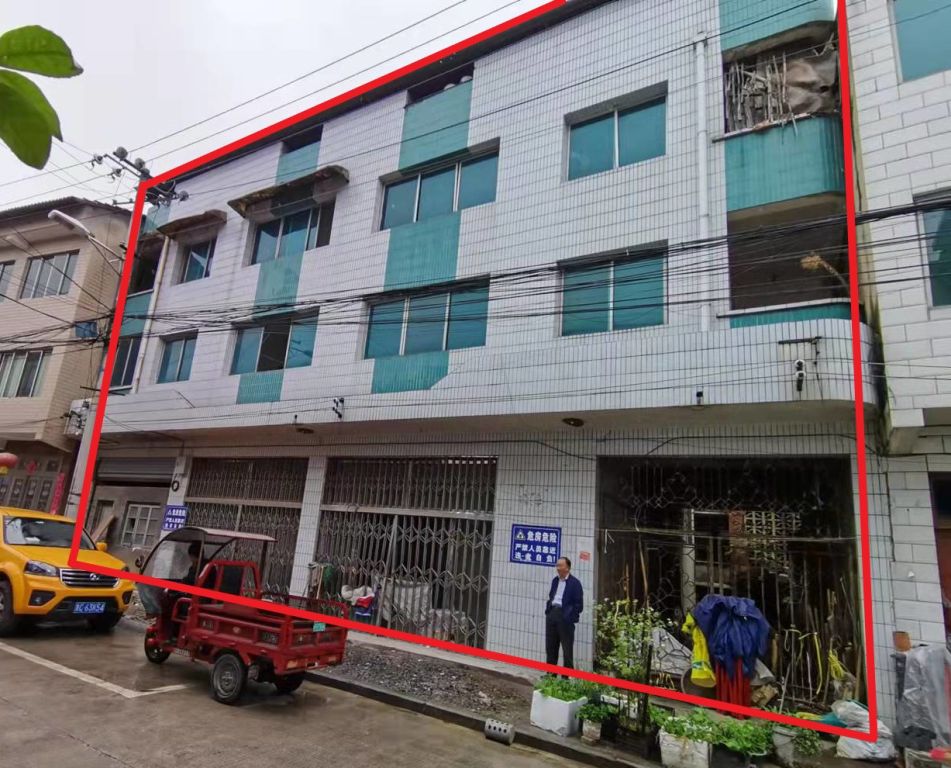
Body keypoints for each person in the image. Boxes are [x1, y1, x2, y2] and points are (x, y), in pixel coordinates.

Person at [545, 557, 583, 669]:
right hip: (552, 614)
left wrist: (570, 616)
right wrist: (548, 610)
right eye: (557, 565)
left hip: (565, 617)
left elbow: (579, 604)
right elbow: (551, 596)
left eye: (560, 565)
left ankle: (566, 676)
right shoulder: (555, 581)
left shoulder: (575, 583)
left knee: (567, 649)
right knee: (551, 647)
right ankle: (550, 674)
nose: (558, 568)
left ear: (567, 568)